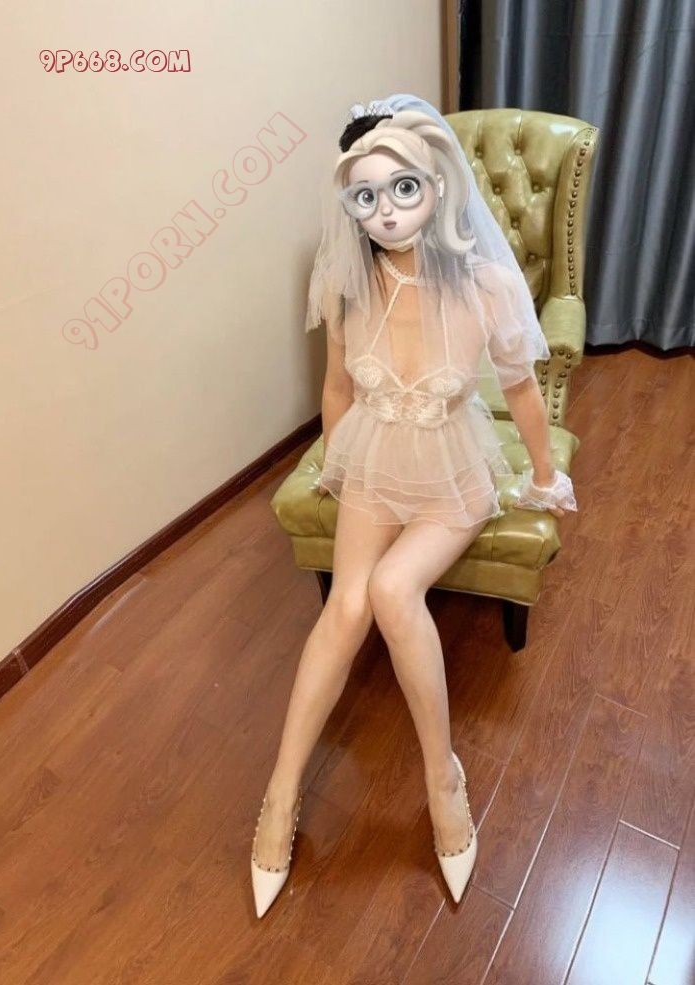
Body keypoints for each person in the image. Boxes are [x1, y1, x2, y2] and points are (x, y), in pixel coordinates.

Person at [251, 94, 577, 918]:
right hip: (374, 458)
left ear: (435, 184)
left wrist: (545, 476)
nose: (389, 211)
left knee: (395, 590)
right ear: (351, 204)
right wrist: (338, 465)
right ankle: (281, 791)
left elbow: (521, 390)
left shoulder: (485, 283)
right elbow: (337, 388)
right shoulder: (347, 283)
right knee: (346, 607)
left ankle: (442, 778)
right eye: (368, 196)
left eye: (404, 188)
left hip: (452, 473)